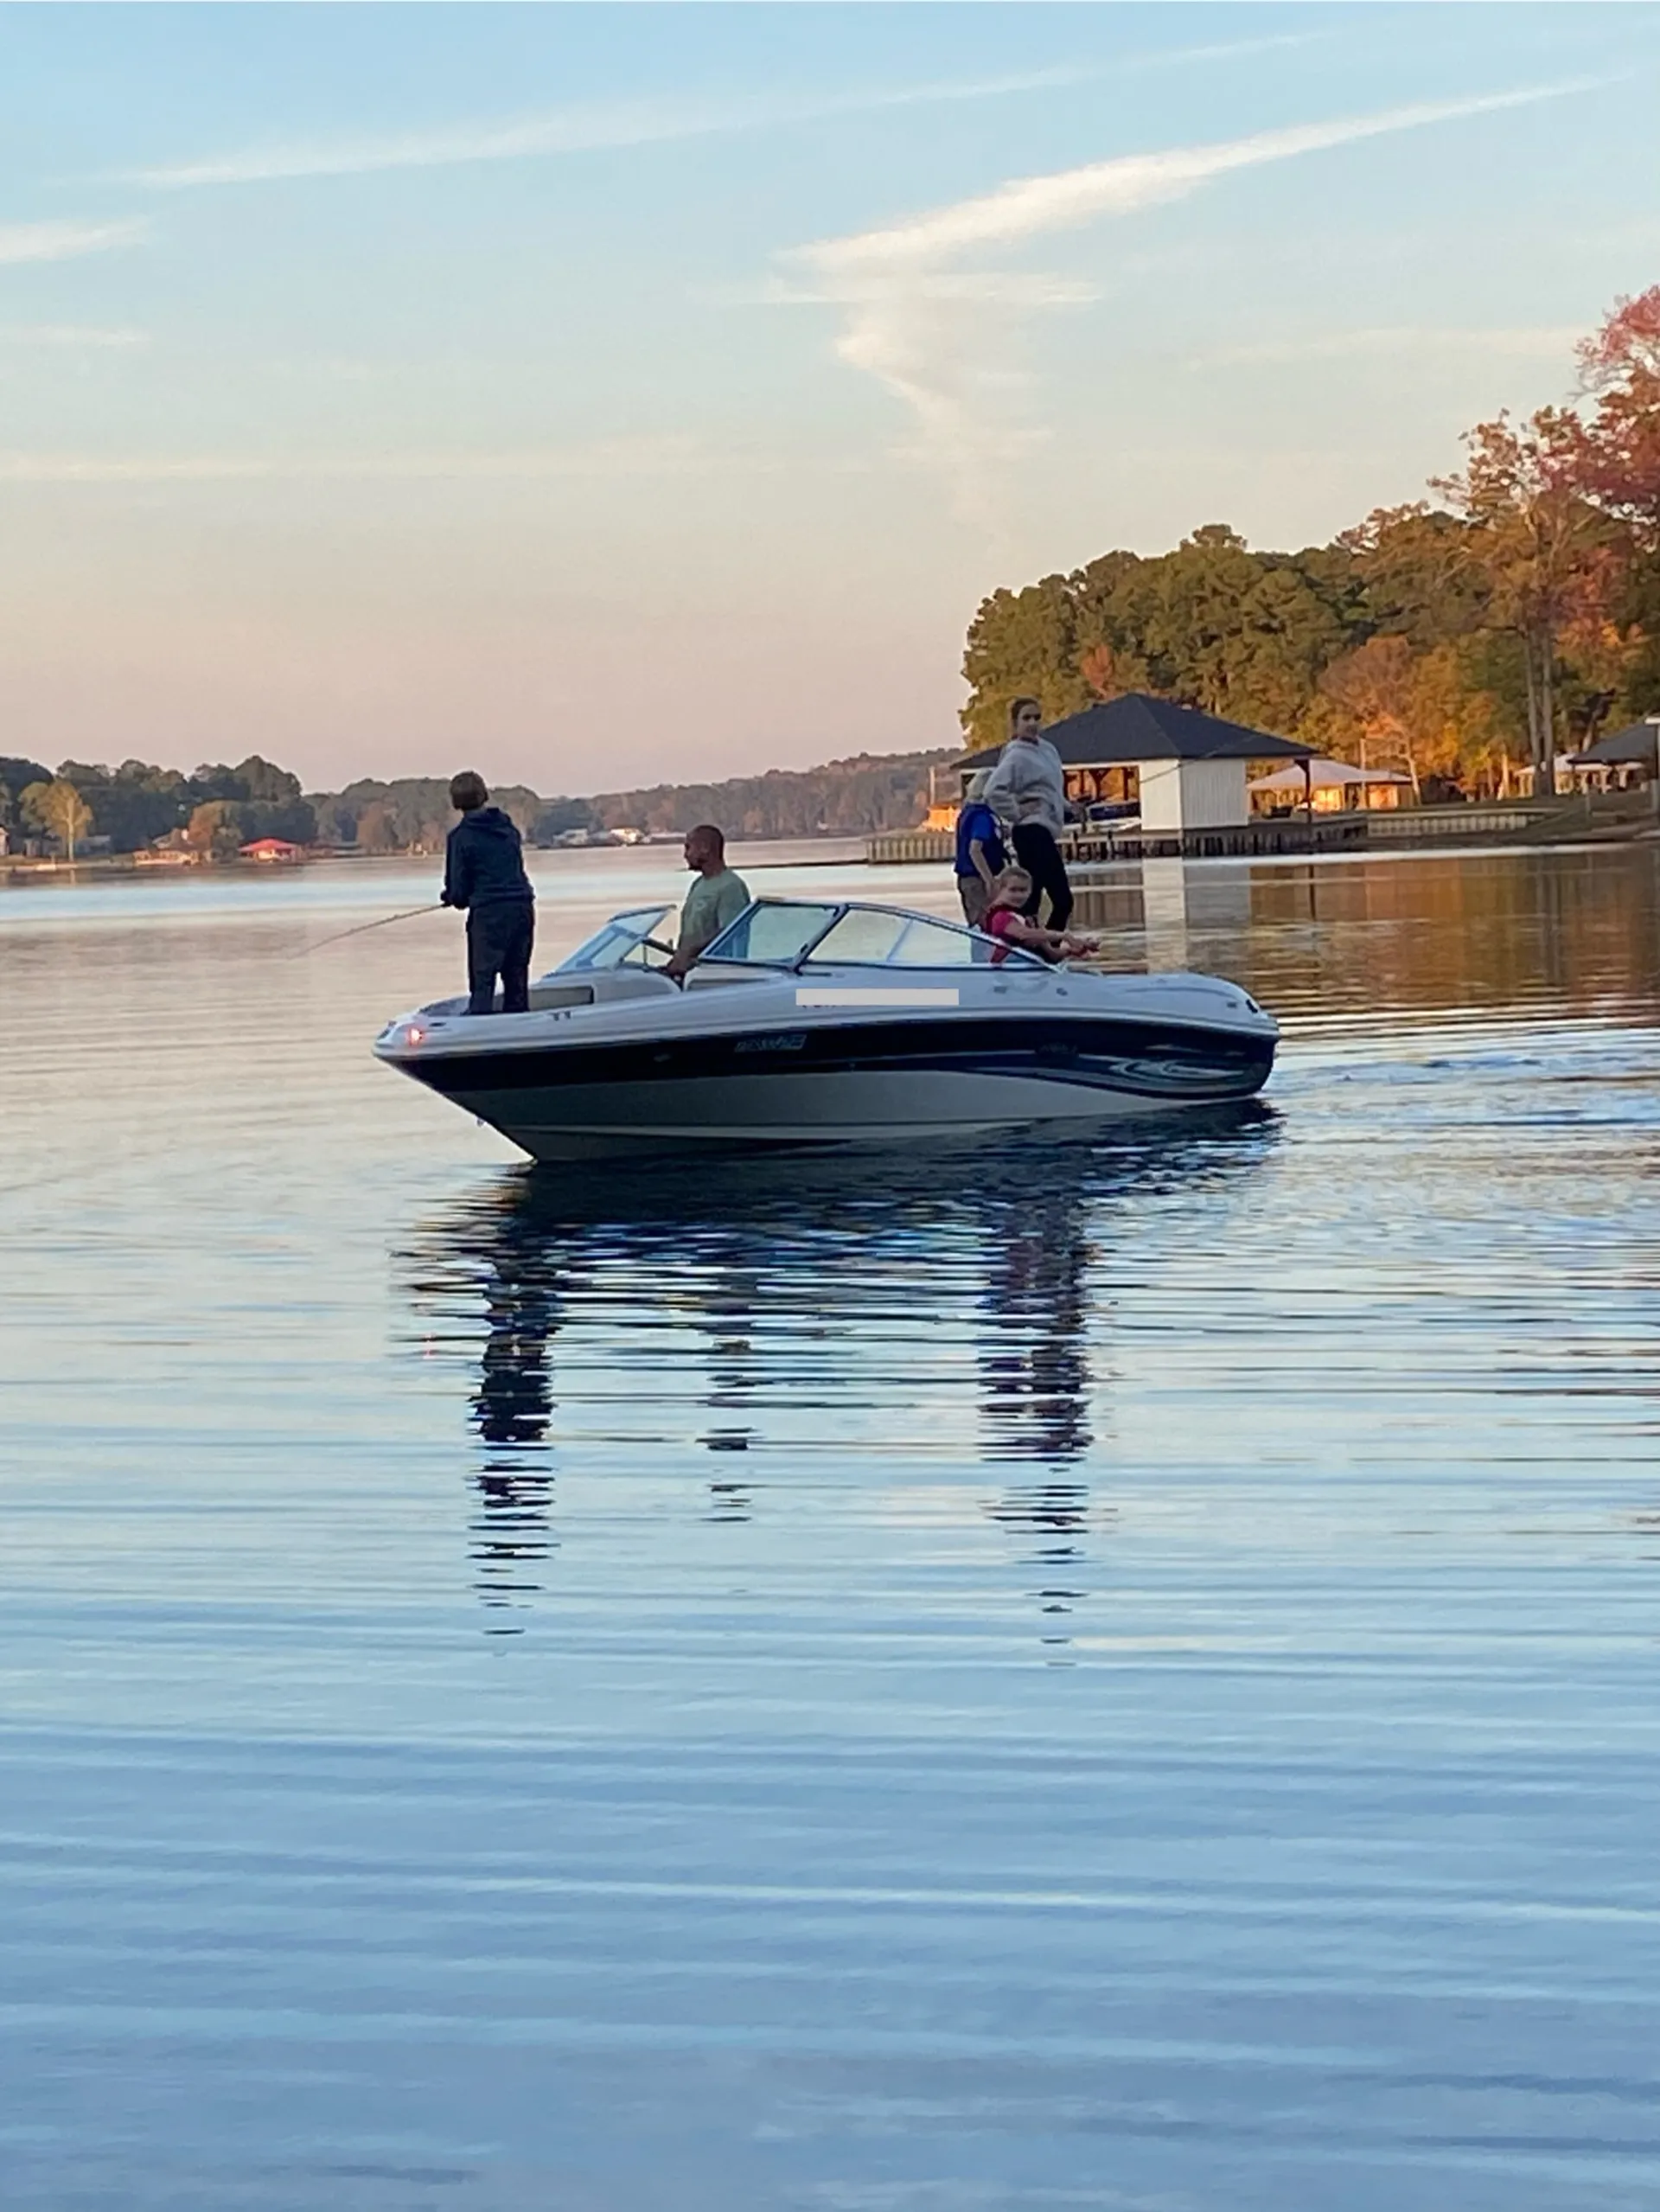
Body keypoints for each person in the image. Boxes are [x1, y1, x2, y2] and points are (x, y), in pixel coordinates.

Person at [441, 771, 536, 1015]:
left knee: (483, 979)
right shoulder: (508, 829)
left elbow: (459, 893)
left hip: (489, 912)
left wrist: (450, 897)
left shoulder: (460, 838)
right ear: (484, 795)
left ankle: (478, 1031)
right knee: (517, 978)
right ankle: (518, 1029)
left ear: (456, 802)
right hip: (522, 906)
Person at [983, 696, 1073, 930]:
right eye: (1026, 718)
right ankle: (1045, 953)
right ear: (1015, 723)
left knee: (1032, 900)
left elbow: (1048, 789)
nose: (1033, 723)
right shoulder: (1016, 755)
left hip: (1045, 829)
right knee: (1062, 900)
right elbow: (992, 791)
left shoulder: (1048, 750)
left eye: (1036, 717)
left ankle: (1029, 950)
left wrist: (1068, 807)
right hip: (1031, 832)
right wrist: (1016, 811)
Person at [665, 823, 750, 981]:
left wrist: (691, 952)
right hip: (690, 974)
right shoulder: (698, 884)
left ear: (705, 848)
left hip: (716, 976)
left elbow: (730, 933)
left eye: (688, 848)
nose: (685, 855)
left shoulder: (731, 886)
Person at [981, 866, 1097, 965]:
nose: (1018, 895)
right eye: (1013, 890)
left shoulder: (1027, 921)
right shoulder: (1001, 917)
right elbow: (1023, 934)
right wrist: (1064, 936)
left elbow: (1053, 954)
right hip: (1004, 975)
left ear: (1030, 891)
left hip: (1027, 976)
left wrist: (1076, 949)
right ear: (1001, 889)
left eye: (1023, 890)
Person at [953, 767, 1007, 929]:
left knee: (981, 925)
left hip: (970, 878)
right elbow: (975, 849)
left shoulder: (968, 812)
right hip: (977, 879)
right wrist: (989, 880)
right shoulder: (982, 817)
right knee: (985, 925)